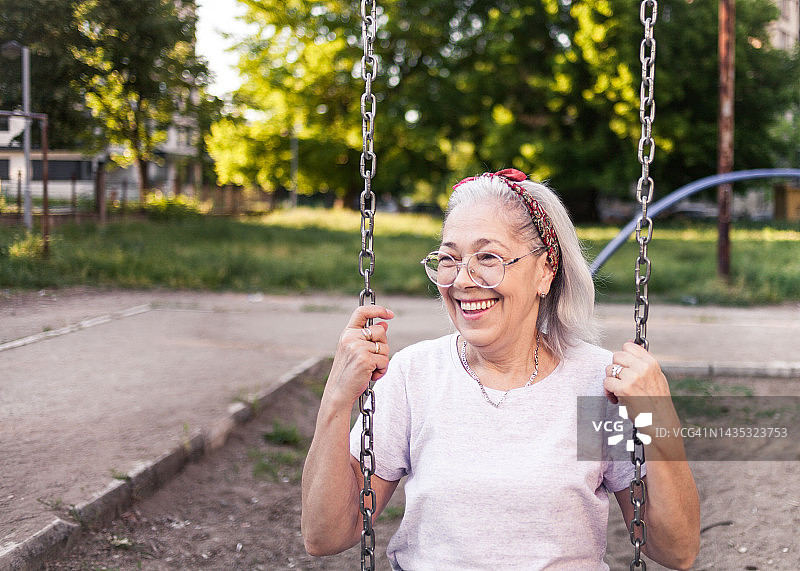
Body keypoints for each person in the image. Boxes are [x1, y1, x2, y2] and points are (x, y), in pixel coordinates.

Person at [302, 168, 700, 570]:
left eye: (488, 258)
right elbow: (325, 536)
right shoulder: (416, 375)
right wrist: (336, 399)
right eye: (448, 259)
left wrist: (659, 419)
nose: (462, 280)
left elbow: (676, 551)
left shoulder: (597, 385)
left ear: (545, 270)